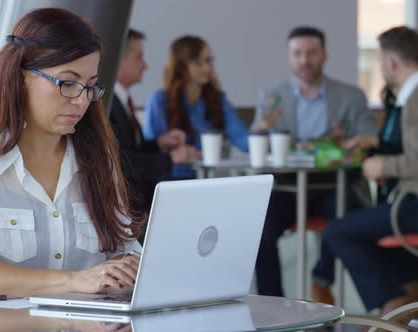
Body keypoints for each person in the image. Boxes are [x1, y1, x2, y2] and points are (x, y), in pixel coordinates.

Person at [0, 8, 142, 298]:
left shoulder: (98, 164)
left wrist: (130, 266)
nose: (80, 100)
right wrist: (75, 281)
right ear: (21, 77)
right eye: (67, 83)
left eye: (89, 87)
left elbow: (125, 251)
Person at [251, 26, 378, 301]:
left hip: (335, 184)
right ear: (289, 56)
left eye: (311, 53)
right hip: (286, 186)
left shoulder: (350, 96)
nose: (304, 60)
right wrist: (261, 127)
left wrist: (352, 142)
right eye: (297, 53)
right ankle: (274, 308)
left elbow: (371, 137)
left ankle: (322, 277)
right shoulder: (272, 96)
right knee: (259, 229)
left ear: (324, 55)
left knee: (348, 217)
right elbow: (256, 145)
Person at [325, 26, 418, 316]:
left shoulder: (414, 100)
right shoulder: (408, 98)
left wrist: (381, 166)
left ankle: (393, 304)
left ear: (391, 62)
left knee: (338, 232)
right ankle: (402, 299)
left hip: (412, 204)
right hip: (405, 200)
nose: (380, 67)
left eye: (380, 61)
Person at [109, 29, 197, 216]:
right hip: (124, 210)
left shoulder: (122, 100)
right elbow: (120, 161)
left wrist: (159, 143)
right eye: (139, 57)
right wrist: (171, 158)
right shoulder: (107, 104)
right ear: (120, 60)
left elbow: (132, 149)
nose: (145, 65)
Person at [142, 35, 250, 179]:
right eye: (198, 62)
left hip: (209, 178)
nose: (207, 67)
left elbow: (241, 138)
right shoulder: (159, 100)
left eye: (209, 60)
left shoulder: (218, 100)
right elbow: (149, 151)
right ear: (181, 66)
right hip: (172, 179)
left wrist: (263, 135)